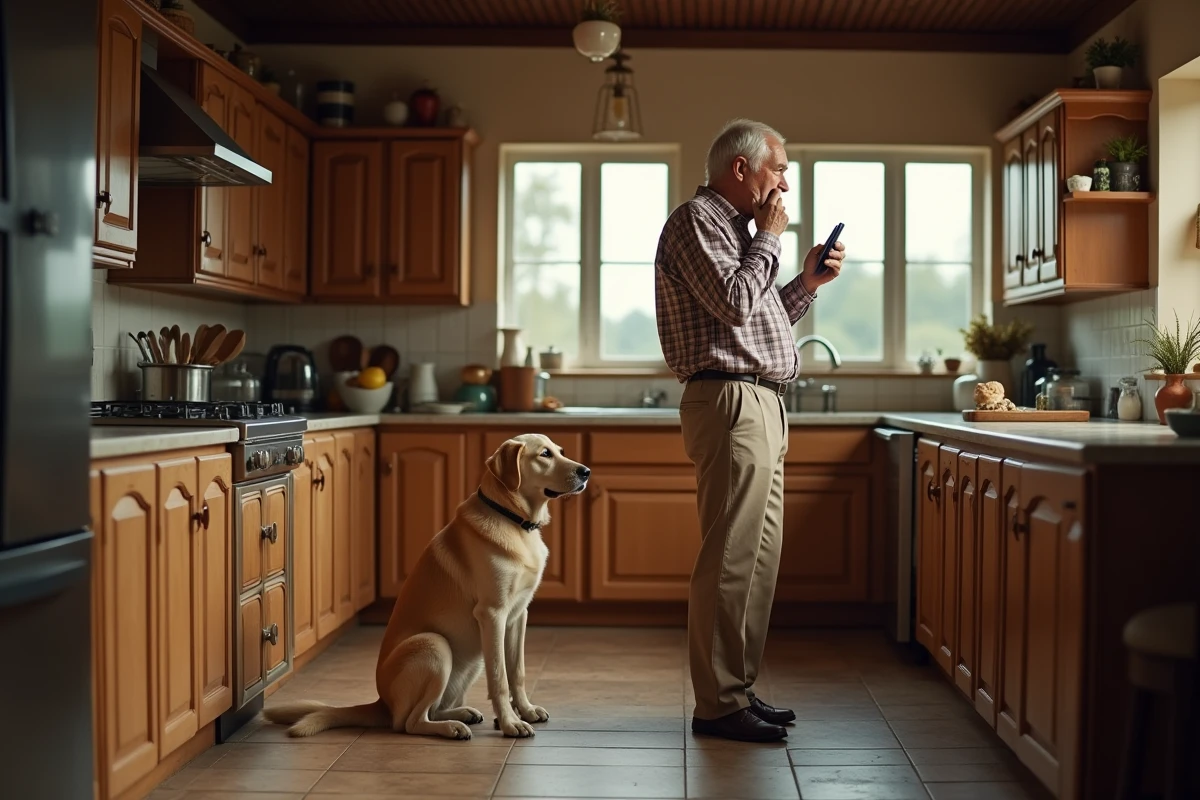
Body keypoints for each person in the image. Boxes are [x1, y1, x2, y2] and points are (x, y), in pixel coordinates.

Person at [653, 118, 845, 743]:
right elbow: (736, 303)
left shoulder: (738, 234)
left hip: (760, 401)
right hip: (730, 401)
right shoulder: (697, 222)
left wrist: (807, 283)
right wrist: (769, 238)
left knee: (758, 559)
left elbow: (757, 320)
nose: (785, 181)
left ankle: (734, 691)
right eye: (780, 168)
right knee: (731, 558)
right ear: (741, 169)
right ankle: (716, 705)